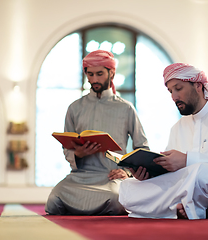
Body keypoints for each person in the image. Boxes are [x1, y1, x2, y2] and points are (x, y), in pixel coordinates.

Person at [119, 63, 208, 219]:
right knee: (128, 187)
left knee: (201, 172)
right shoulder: (177, 128)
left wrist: (187, 160)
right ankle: (186, 206)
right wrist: (148, 175)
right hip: (189, 188)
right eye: (170, 91)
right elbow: (173, 174)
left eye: (178, 89)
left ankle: (180, 207)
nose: (174, 97)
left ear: (198, 86)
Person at [45, 50, 149, 215]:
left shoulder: (126, 108)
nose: (94, 79)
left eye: (99, 74)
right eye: (90, 74)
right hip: (79, 176)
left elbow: (142, 148)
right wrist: (77, 154)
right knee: (53, 202)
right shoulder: (75, 108)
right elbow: (67, 149)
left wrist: (128, 172)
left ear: (112, 72)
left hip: (110, 177)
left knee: (115, 200)